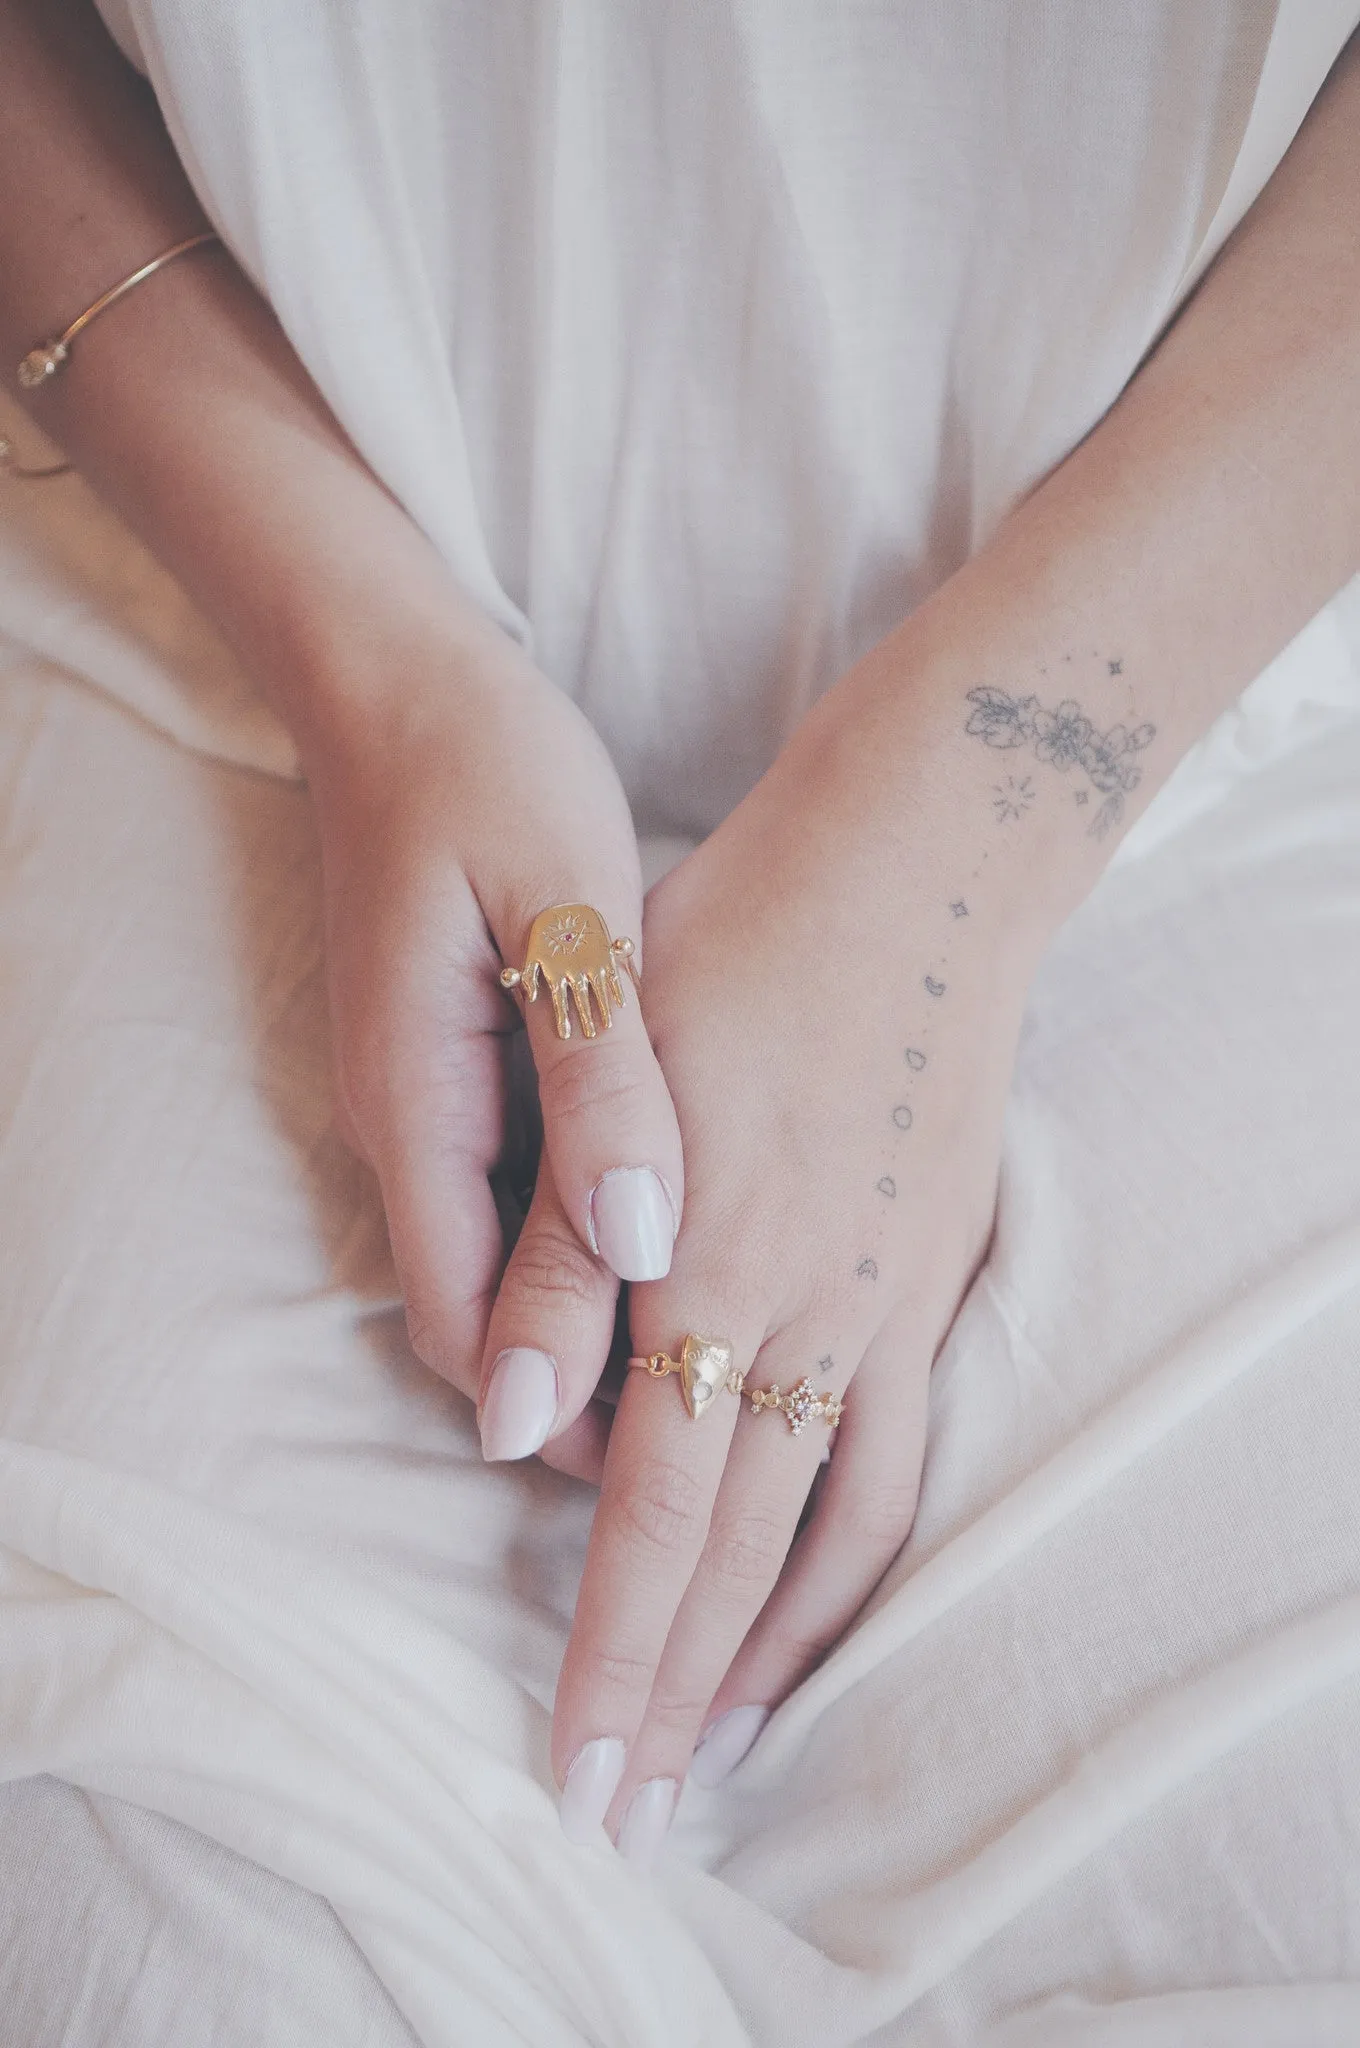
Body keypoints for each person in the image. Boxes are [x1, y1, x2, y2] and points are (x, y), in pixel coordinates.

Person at [2, 4, 1359, 2037]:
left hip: (1210, 700)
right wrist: (374, 668)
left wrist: (961, 841)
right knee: (148, 1904)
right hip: (237, 585)